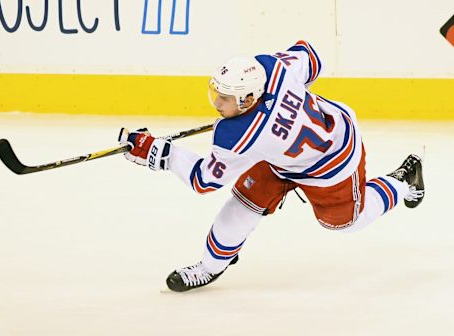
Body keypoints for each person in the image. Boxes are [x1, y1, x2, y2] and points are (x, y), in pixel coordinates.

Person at [117, 40, 425, 292]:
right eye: (215, 93)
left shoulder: (238, 135)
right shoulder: (271, 68)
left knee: (345, 223)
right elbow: (312, 57)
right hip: (282, 154)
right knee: (241, 207)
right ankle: (210, 268)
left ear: (249, 98)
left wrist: (161, 153)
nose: (216, 104)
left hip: (332, 158)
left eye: (224, 99)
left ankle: (402, 180)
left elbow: (203, 181)